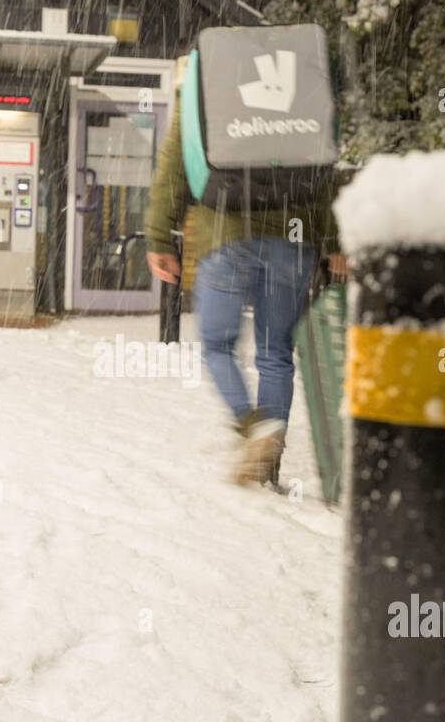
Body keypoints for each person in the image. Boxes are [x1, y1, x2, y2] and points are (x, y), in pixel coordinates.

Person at [144, 65, 343, 488]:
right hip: (293, 238)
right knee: (275, 354)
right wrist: (332, 242)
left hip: (226, 234)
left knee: (217, 345)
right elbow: (321, 172)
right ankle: (268, 468)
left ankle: (254, 428)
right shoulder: (297, 86)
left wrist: (161, 236)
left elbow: (175, 166)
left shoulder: (204, 85)